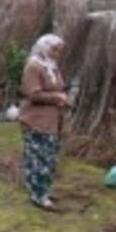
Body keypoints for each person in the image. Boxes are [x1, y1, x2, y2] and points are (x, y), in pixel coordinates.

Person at [18, 34, 69, 211]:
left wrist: (63, 99)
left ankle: (44, 191)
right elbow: (33, 94)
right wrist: (57, 97)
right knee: (38, 159)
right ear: (44, 47)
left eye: (59, 50)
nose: (57, 53)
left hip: (52, 121)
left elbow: (58, 88)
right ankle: (38, 196)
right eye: (54, 49)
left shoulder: (51, 66)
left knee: (50, 159)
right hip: (36, 120)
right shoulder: (33, 66)